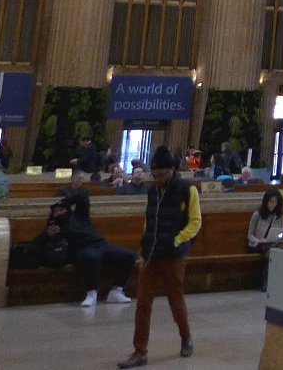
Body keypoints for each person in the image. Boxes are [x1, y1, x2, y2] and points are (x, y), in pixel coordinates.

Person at [117, 146, 200, 368]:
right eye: (153, 175)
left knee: (175, 300)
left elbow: (195, 222)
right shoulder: (152, 191)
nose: (157, 179)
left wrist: (177, 240)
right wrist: (144, 246)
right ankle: (140, 351)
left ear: (171, 171)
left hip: (173, 255)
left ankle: (186, 337)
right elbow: (149, 220)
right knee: (143, 304)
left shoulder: (187, 190)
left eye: (160, 175)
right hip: (151, 255)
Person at [55, 194, 135, 307]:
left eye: (62, 210)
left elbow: (83, 197)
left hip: (101, 245)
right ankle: (91, 293)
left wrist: (65, 201)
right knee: (92, 257)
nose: (59, 212)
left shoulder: (80, 216)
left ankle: (117, 291)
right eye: (56, 211)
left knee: (129, 255)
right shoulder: (56, 225)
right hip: (82, 249)